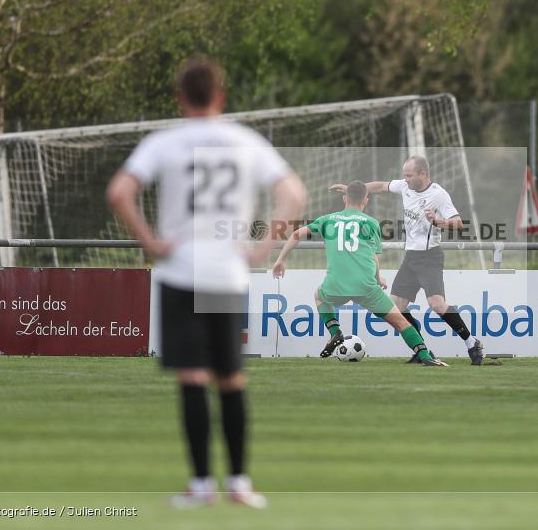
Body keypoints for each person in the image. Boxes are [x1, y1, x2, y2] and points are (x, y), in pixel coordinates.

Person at [106, 58, 306, 509]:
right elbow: (293, 193)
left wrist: (151, 242)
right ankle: (239, 482)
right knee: (231, 378)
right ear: (221, 97)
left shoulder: (165, 141)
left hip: (181, 270)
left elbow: (119, 192)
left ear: (180, 99)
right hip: (226, 271)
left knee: (193, 376)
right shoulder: (245, 141)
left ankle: (200, 486)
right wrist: (261, 249)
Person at [329, 156, 485, 365]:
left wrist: (437, 221)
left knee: (437, 305)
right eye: (405, 175)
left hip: (430, 257)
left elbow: (458, 224)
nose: (406, 179)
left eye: (409, 175)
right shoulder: (405, 186)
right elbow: (380, 186)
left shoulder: (438, 195)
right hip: (410, 258)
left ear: (423, 174)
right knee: (395, 306)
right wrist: (352, 189)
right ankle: (422, 350)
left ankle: (471, 342)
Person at [273, 181, 447, 366]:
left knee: (319, 296)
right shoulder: (371, 223)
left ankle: (335, 333)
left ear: (344, 198)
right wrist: (377, 278)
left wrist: (280, 260)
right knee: (401, 323)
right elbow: (373, 256)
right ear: (366, 200)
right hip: (366, 287)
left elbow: (295, 235)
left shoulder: (327, 219)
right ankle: (426, 357)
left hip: (336, 285)